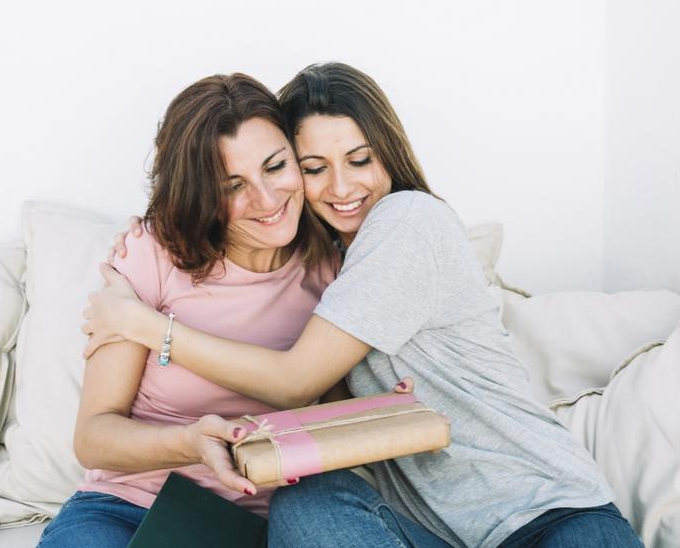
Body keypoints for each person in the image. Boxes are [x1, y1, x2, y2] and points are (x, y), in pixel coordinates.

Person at [82, 62, 644, 547]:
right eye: (314, 166)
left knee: (307, 504)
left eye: (359, 159)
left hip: (543, 517)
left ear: (389, 154)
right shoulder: (328, 260)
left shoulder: (408, 221)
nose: (341, 187)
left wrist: (146, 324)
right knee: (310, 506)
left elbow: (294, 381)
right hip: (429, 531)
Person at [38, 73, 340, 548]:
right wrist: (189, 443)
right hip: (129, 508)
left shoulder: (335, 267)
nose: (267, 199)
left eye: (276, 166)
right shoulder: (151, 254)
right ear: (199, 193)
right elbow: (93, 437)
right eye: (232, 184)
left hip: (265, 526)